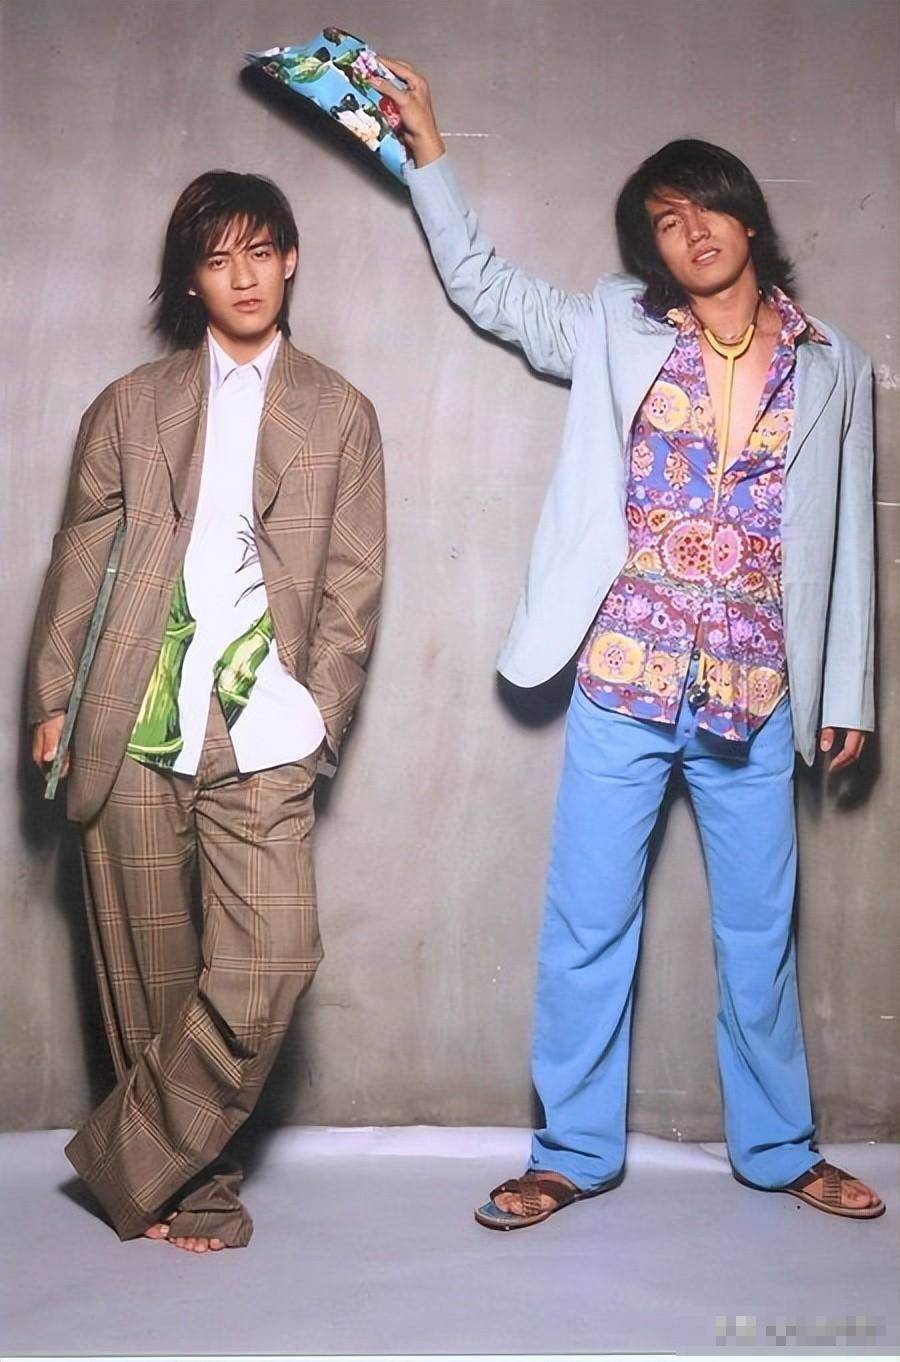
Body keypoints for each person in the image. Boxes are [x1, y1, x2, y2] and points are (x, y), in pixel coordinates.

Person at [368, 58, 883, 1225]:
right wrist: (428, 148)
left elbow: (848, 536)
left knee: (761, 936)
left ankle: (780, 1150)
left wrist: (847, 688)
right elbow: (487, 288)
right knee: (588, 925)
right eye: (663, 220)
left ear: (747, 216)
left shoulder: (834, 366)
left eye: (705, 206)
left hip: (757, 690)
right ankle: (570, 1152)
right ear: (649, 251)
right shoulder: (614, 324)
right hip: (623, 676)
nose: (689, 230)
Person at [28, 170, 386, 1251]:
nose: (244, 277)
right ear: (193, 280)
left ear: (290, 260)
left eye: (260, 252)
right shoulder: (129, 405)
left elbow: (353, 586)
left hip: (265, 723)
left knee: (269, 963)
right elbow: (79, 560)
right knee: (154, 982)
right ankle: (198, 1194)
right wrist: (54, 696)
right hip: (131, 714)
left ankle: (121, 1163)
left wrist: (318, 713)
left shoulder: (342, 412)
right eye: (218, 258)